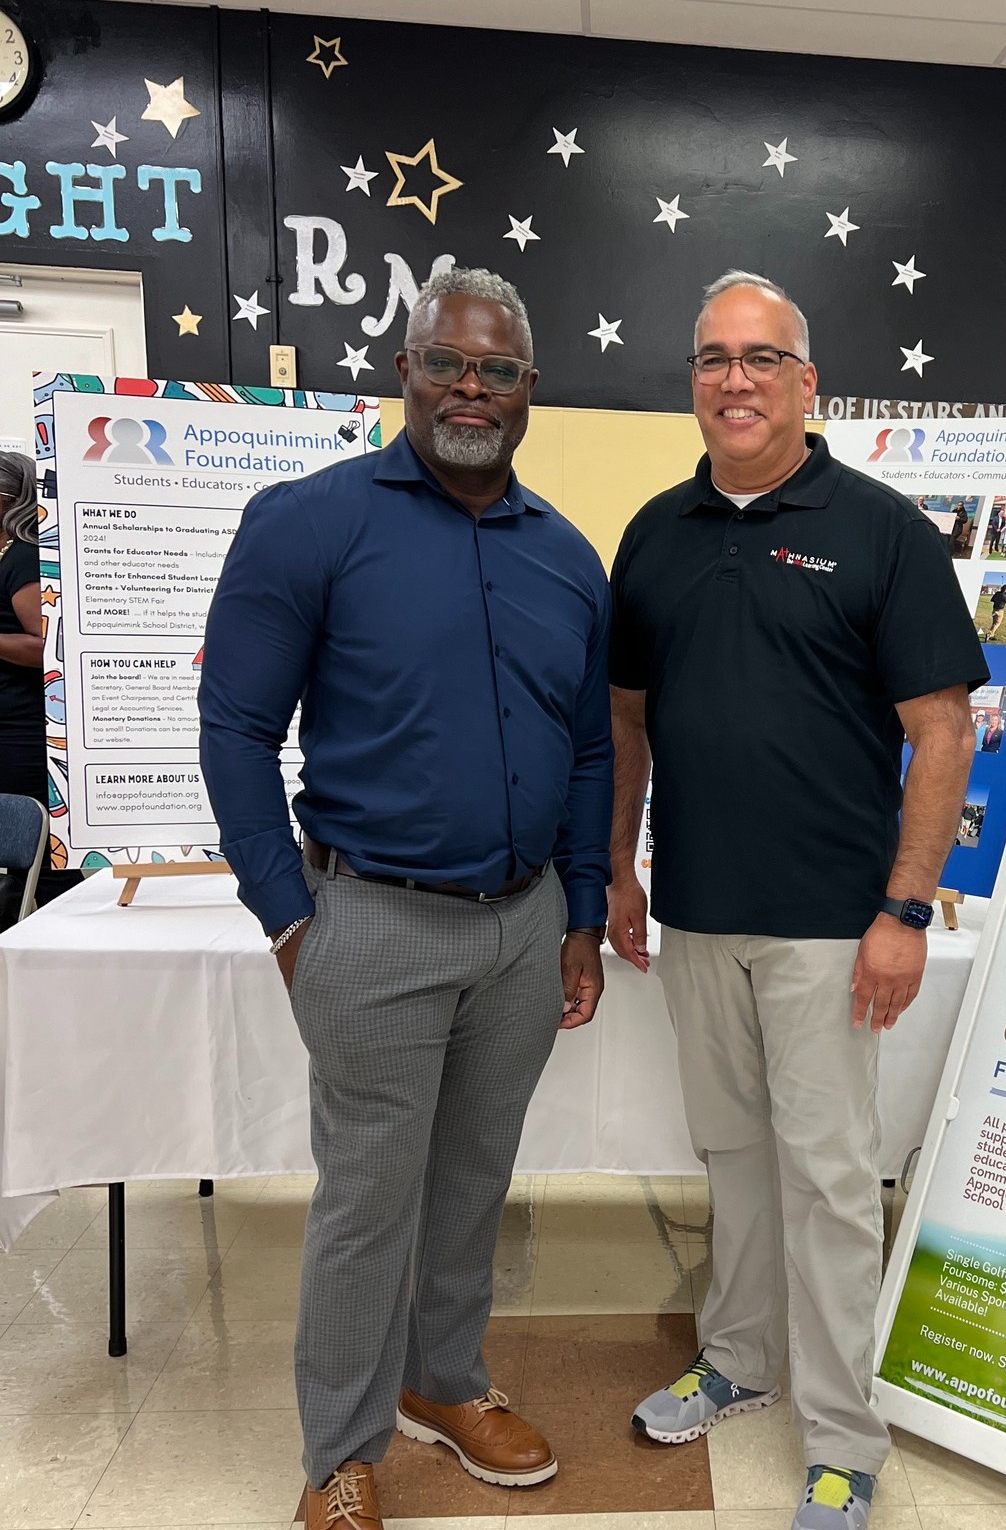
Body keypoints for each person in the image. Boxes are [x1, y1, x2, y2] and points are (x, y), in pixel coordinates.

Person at [199, 267, 613, 1530]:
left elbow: (590, 748)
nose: (471, 390)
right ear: (405, 372)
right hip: (369, 918)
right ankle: (341, 1449)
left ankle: (445, 1383)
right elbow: (233, 726)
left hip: (524, 922)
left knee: (476, 1174)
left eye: (498, 370)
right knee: (367, 1194)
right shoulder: (307, 522)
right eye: (448, 363)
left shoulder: (566, 556)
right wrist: (285, 912)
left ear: (530, 390)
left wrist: (583, 912)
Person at [607, 270, 987, 1530]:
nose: (734, 380)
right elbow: (627, 721)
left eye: (761, 359)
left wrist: (907, 909)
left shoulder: (880, 529)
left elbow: (942, 733)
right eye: (713, 358)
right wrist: (618, 864)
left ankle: (844, 1436)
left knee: (827, 1182)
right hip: (698, 915)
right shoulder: (656, 533)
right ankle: (739, 1361)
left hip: (835, 925)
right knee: (732, 1159)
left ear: (808, 380)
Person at [0, 452, 78, 926]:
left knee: (38, 855)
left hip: (22, 733)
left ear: (8, 498)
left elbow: (46, 646)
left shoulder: (25, 557)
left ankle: (43, 933)